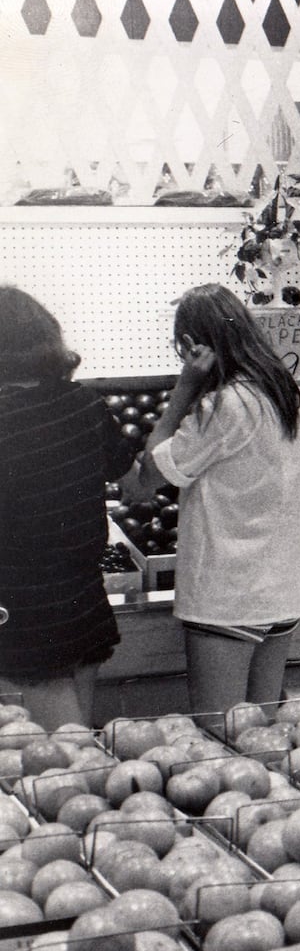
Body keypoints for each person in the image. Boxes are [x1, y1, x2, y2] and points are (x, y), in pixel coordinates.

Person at [122, 283, 300, 722]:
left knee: (218, 737)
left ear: (189, 346)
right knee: (262, 736)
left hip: (226, 600)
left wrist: (184, 388)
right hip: (282, 598)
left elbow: (143, 483)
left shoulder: (222, 406)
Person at [0, 287, 132, 727]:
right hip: (83, 596)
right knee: (77, 744)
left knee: (57, 758)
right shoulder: (84, 404)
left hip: (25, 610)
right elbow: (134, 481)